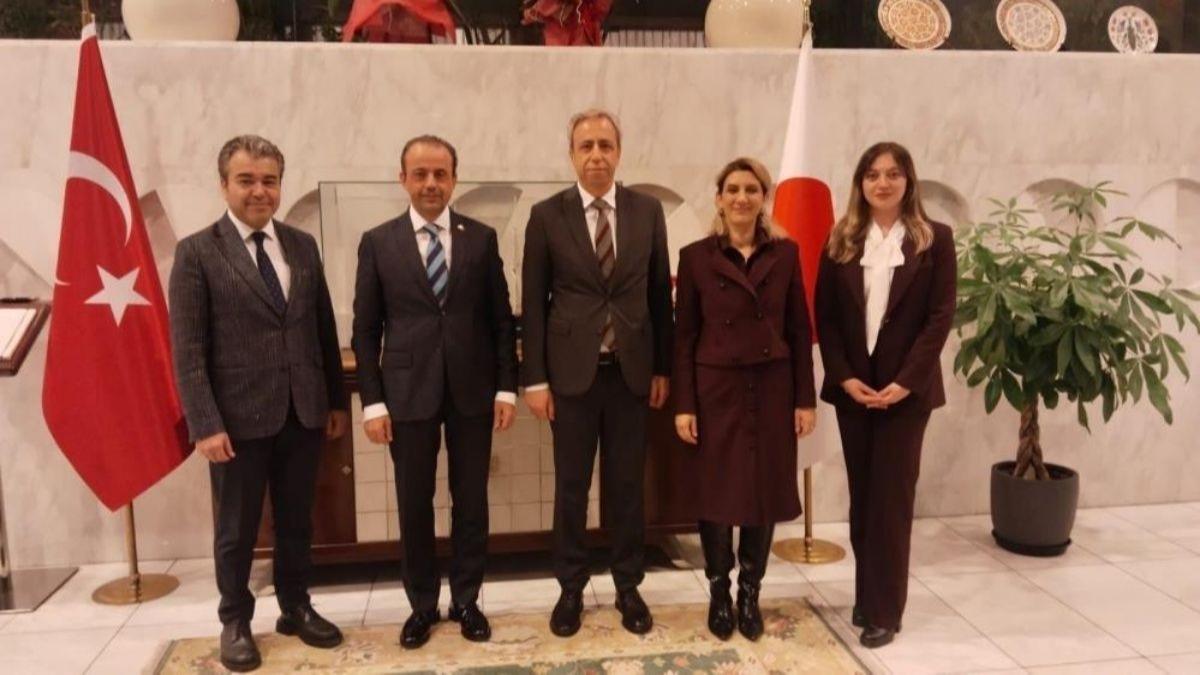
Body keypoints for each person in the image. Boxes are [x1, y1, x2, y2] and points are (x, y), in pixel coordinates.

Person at [170, 135, 349, 672]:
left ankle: (296, 606)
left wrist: (334, 401)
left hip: (302, 410)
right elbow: (188, 349)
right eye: (246, 180)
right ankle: (235, 620)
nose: (259, 191)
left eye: (269, 180)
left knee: (297, 520)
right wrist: (205, 423)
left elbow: (322, 330)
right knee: (238, 529)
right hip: (235, 421)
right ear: (224, 184)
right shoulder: (197, 252)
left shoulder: (302, 246)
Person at [351, 135, 518, 649]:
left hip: (473, 391)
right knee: (413, 502)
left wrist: (506, 390)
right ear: (402, 178)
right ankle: (422, 605)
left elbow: (501, 321)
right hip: (406, 393)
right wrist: (373, 402)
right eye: (420, 174)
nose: (430, 183)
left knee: (471, 501)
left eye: (440, 174)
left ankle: (466, 600)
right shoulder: (378, 242)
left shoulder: (481, 239)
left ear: (454, 179)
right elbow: (365, 330)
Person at [520, 108, 674, 637]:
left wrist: (662, 368)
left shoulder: (647, 211)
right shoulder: (547, 216)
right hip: (571, 378)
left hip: (631, 374)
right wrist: (535, 379)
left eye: (605, 145)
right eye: (585, 146)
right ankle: (570, 588)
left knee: (628, 486)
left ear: (619, 152)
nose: (596, 155)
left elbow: (659, 295)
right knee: (571, 487)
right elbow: (534, 303)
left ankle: (629, 586)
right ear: (571, 155)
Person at [814, 141, 956, 648]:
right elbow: (827, 317)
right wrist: (844, 376)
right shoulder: (841, 239)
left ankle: (885, 611)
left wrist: (907, 381)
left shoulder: (935, 239)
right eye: (873, 174)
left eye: (893, 174)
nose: (883, 182)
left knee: (891, 504)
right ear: (861, 183)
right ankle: (867, 594)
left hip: (906, 395)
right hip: (856, 391)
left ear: (908, 181)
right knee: (862, 501)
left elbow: (940, 318)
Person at [672, 157, 817, 641]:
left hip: (772, 387)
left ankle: (750, 592)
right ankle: (719, 591)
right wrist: (684, 404)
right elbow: (684, 336)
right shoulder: (695, 257)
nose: (741, 197)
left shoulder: (787, 253)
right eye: (732, 189)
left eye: (751, 189)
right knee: (715, 494)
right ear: (718, 198)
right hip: (716, 390)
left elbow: (799, 330)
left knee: (763, 491)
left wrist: (805, 399)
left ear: (763, 198)